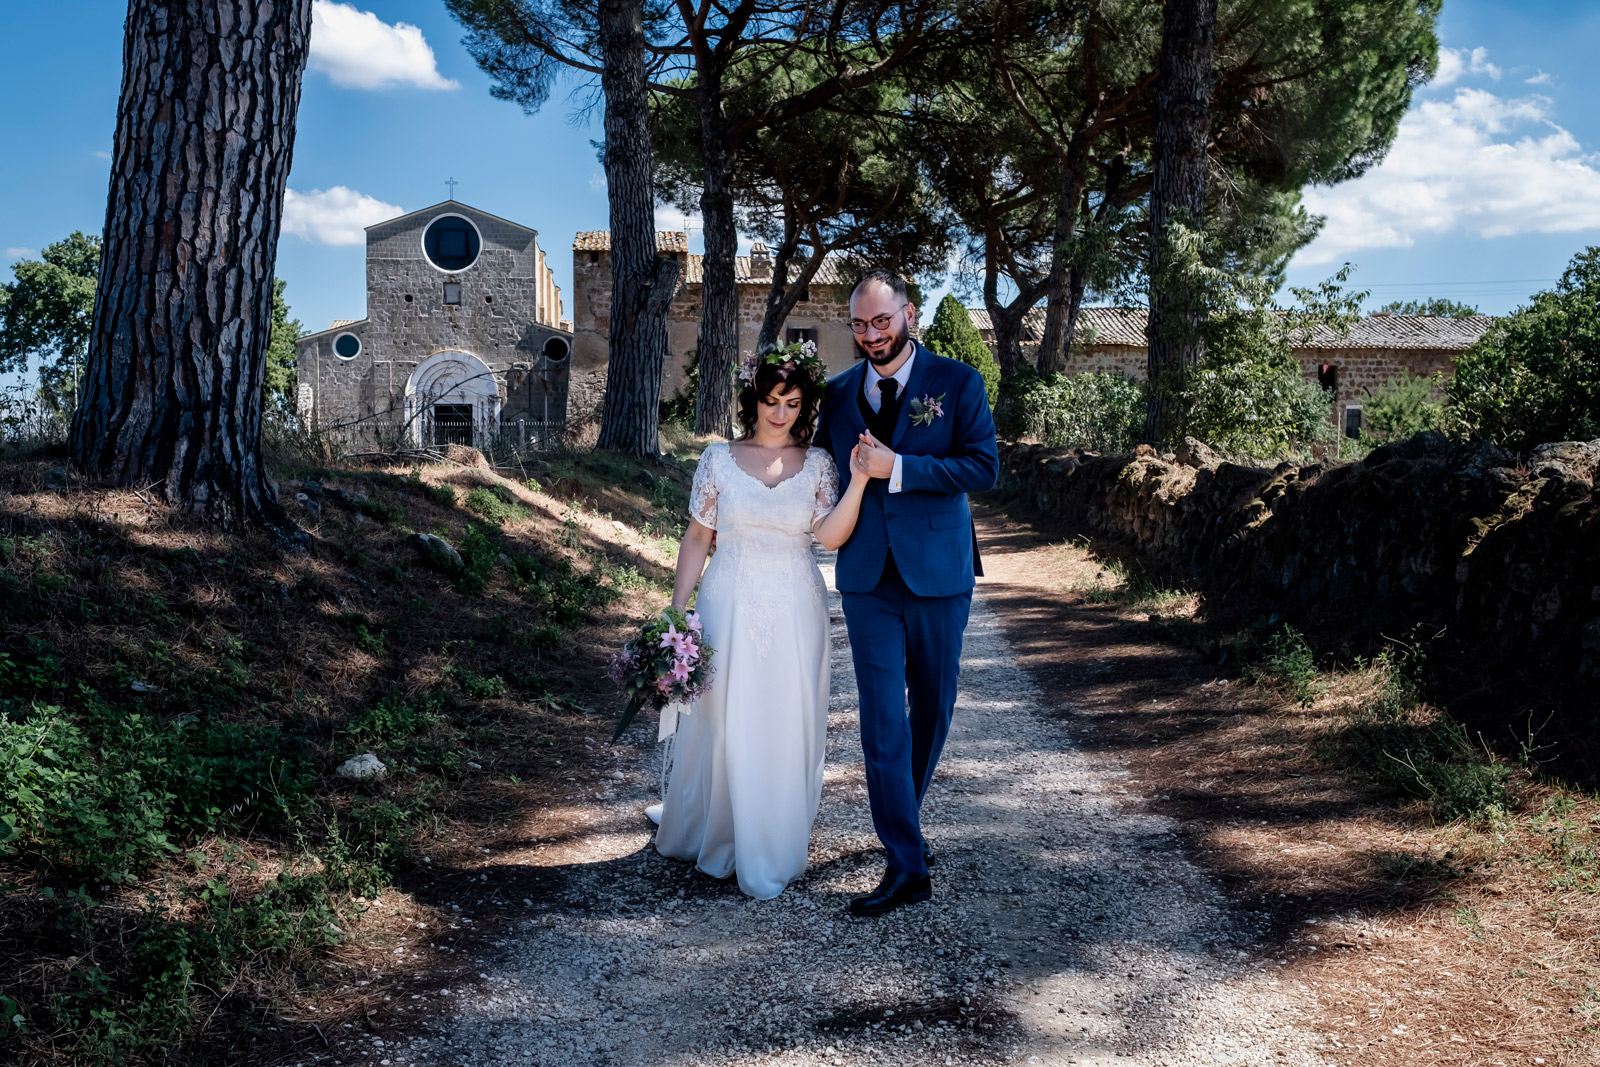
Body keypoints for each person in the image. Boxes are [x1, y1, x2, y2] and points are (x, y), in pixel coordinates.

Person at [652, 344, 871, 900]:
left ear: (804, 406)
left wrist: (862, 481)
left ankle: (772, 837)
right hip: (728, 599)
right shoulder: (718, 459)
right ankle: (719, 830)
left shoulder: (820, 464)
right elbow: (699, 536)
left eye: (793, 403)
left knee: (785, 716)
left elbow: (829, 536)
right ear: (755, 399)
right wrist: (680, 610)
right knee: (724, 715)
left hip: (797, 605)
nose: (781, 413)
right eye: (772, 401)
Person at [811, 268, 999, 917]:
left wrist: (903, 468)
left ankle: (904, 829)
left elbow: (984, 465)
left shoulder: (957, 382)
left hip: (939, 571)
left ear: (908, 314)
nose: (870, 335)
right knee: (881, 720)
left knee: (933, 709)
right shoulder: (834, 398)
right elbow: (815, 474)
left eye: (881, 321)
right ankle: (906, 863)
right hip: (867, 577)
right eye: (860, 325)